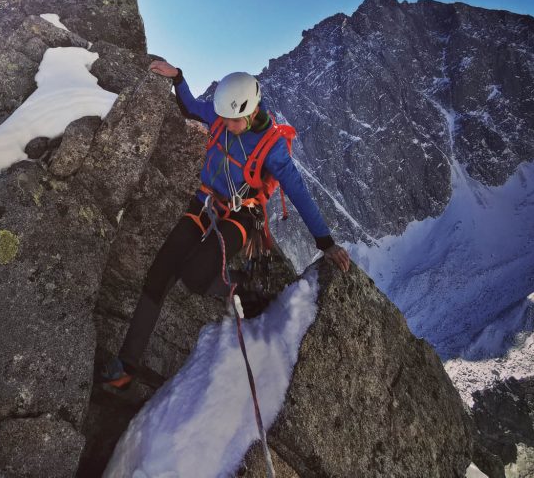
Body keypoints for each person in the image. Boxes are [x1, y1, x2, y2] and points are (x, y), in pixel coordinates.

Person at [100, 60, 351, 388]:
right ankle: (127, 365)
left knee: (195, 276)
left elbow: (299, 193)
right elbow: (191, 107)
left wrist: (325, 242)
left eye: (234, 121)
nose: (226, 125)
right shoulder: (222, 117)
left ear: (252, 111)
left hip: (243, 216)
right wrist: (178, 77)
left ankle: (246, 291)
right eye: (225, 119)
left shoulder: (272, 147)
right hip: (204, 204)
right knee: (159, 273)